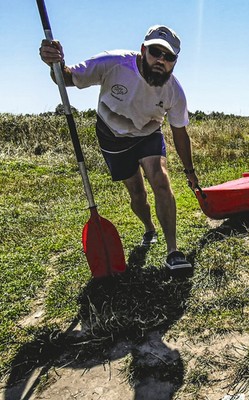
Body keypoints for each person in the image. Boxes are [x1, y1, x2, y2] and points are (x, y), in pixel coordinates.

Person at [39, 25, 198, 271]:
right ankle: (149, 228)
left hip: (148, 134)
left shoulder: (174, 91)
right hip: (112, 137)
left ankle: (173, 251)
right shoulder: (113, 63)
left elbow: (179, 131)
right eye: (156, 52)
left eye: (169, 57)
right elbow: (67, 78)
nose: (161, 60)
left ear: (174, 62)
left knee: (161, 179)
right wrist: (55, 64)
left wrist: (190, 171)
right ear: (144, 50)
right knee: (137, 194)